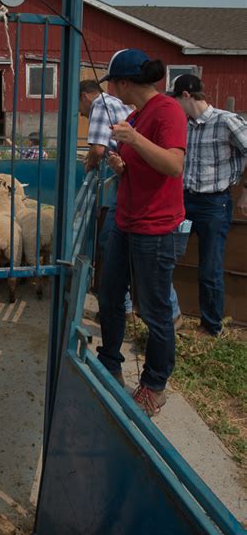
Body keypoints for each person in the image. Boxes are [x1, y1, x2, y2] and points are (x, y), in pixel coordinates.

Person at [96, 48, 187, 417]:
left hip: (154, 228)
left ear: (123, 82)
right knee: (109, 296)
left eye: (112, 83)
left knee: (153, 310)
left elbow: (173, 165)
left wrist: (133, 140)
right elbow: (144, 168)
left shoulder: (167, 111)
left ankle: (154, 384)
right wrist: (122, 166)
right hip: (127, 222)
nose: (111, 89)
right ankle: (110, 362)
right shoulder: (137, 114)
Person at [79, 79, 184, 327]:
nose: (81, 113)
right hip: (130, 180)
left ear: (85, 97)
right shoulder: (132, 109)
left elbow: (96, 149)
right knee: (119, 249)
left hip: (143, 197)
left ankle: (166, 316)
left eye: (79, 108)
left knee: (139, 258)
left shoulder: (101, 105)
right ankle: (126, 310)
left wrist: (90, 166)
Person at [168, 74, 247, 337]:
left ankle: (211, 326)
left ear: (186, 96)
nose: (175, 105)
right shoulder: (184, 125)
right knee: (165, 254)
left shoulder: (226, 121)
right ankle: (170, 313)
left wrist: (246, 191)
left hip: (214, 203)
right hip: (184, 199)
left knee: (210, 267)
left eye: (176, 99)